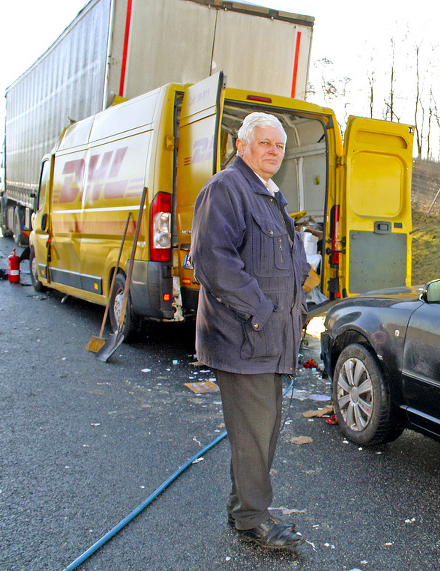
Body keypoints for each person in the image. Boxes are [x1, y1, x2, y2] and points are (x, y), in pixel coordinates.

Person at [190, 112, 309, 550]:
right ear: (242, 146)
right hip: (244, 337)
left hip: (270, 336)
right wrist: (261, 311)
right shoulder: (226, 189)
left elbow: (288, 257)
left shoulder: (268, 194)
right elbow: (214, 261)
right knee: (256, 430)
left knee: (260, 428)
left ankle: (244, 508)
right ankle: (252, 520)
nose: (274, 151)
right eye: (265, 143)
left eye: (279, 145)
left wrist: (299, 301)